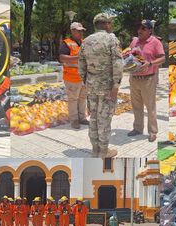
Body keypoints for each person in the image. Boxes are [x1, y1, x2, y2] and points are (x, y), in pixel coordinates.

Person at [78, 13, 124, 158]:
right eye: (110, 23)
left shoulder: (86, 41)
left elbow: (81, 65)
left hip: (91, 85)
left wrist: (87, 81)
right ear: (107, 24)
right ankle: (103, 151)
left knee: (93, 117)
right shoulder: (112, 39)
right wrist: (116, 85)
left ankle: (95, 149)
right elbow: (117, 63)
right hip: (107, 87)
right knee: (104, 118)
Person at [126, 19, 165, 142]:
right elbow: (130, 55)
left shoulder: (155, 42)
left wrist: (150, 63)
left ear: (150, 30)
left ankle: (152, 131)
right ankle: (137, 128)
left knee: (150, 106)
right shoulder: (134, 41)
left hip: (148, 79)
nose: (140, 30)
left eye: (143, 28)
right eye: (139, 28)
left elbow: (163, 58)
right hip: (134, 78)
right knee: (136, 105)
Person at [59, 22, 89, 129]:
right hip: (72, 77)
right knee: (73, 99)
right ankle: (74, 120)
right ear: (72, 31)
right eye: (79, 31)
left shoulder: (83, 43)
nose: (81, 33)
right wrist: (78, 58)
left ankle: (82, 118)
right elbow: (62, 58)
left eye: (82, 31)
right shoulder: (66, 43)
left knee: (82, 98)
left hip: (83, 77)